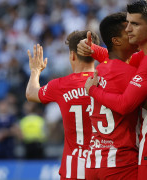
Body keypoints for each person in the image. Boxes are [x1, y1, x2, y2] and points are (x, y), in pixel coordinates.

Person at [84, 1, 147, 179]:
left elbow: (133, 105)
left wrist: (93, 91)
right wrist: (92, 49)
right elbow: (119, 61)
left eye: (135, 24)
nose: (128, 29)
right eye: (128, 23)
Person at [26, 30, 100, 179]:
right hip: (105, 164)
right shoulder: (108, 82)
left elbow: (31, 94)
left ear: (72, 55)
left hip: (74, 168)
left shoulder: (60, 85)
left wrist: (35, 71)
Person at [78, 12, 139, 180]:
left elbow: (112, 59)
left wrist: (94, 49)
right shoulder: (132, 74)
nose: (133, 34)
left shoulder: (100, 70)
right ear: (116, 41)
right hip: (121, 163)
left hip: (93, 162)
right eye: (128, 32)